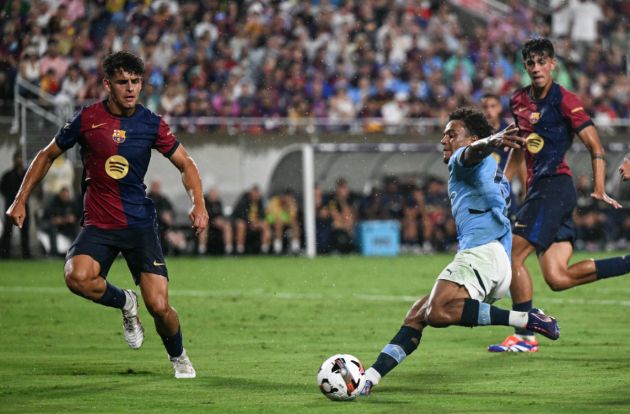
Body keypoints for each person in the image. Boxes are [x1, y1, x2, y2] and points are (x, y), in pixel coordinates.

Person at [5, 51, 208, 378]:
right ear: (107, 84)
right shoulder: (86, 120)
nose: (130, 88)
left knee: (159, 306)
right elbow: (46, 156)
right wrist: (20, 199)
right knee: (76, 277)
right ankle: (126, 302)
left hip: (139, 225)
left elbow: (186, 164)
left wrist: (198, 203)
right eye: (123, 82)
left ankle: (179, 356)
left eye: (136, 82)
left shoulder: (151, 123)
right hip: (100, 224)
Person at [360, 108, 559, 396]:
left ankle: (526, 319)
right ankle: (371, 377)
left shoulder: (461, 161)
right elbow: (507, 173)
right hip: (496, 265)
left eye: (451, 134)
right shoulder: (493, 176)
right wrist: (517, 147)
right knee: (418, 314)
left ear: (472, 139)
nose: (444, 140)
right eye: (444, 135)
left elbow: (470, 154)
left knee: (438, 311)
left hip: (481, 254)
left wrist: (495, 139)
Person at [489, 38, 626, 353]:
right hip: (540, 190)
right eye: (531, 63)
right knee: (558, 277)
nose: (536, 68)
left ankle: (524, 336)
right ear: (525, 66)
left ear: (553, 65)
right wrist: (506, 180)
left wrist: (600, 188)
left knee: (511, 257)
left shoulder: (565, 100)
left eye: (542, 62)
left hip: (555, 187)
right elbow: (525, 150)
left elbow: (596, 146)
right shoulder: (518, 101)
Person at [0, 150, 31, 259]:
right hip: (10, 205)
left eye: (21, 158)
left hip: (24, 205)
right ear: (14, 160)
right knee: (7, 230)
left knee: (25, 230)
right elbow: (3, 189)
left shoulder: (27, 175)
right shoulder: (8, 175)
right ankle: (4, 254)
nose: (20, 160)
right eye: (18, 157)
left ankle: (26, 254)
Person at [232, 185, 271, 254]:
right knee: (241, 225)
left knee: (265, 225)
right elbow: (241, 214)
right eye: (255, 193)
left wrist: (257, 222)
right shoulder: (244, 200)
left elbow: (262, 215)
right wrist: (250, 222)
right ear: (251, 193)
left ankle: (264, 249)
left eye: (258, 194)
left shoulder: (260, 201)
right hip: (243, 222)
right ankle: (239, 249)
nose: (257, 195)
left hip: (254, 222)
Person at [198, 187, 233, 255]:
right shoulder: (203, 202)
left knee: (227, 226)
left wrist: (220, 220)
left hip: (216, 224)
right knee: (204, 225)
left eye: (216, 194)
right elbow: (202, 215)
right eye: (213, 194)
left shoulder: (218, 202)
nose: (214, 196)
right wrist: (213, 221)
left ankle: (229, 249)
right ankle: (201, 249)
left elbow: (220, 214)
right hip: (206, 222)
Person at [266, 188, 301, 254]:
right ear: (283, 196)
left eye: (290, 197)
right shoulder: (274, 201)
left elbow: (293, 217)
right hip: (272, 223)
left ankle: (295, 249)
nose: (289, 199)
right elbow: (269, 215)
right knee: (279, 223)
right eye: (287, 197)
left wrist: (287, 208)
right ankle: (278, 249)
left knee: (295, 224)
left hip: (286, 223)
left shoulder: (292, 204)